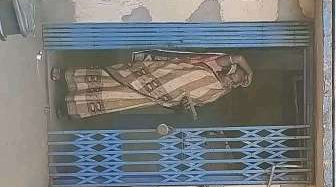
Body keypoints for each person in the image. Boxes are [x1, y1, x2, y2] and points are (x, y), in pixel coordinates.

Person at [51, 52, 254, 120]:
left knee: (115, 99)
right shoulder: (213, 66)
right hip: (152, 75)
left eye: (235, 81)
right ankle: (64, 76)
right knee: (109, 75)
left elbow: (188, 103)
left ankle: (70, 108)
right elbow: (238, 57)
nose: (231, 80)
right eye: (233, 75)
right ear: (228, 70)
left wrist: (185, 105)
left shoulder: (216, 93)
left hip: (153, 95)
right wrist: (249, 71)